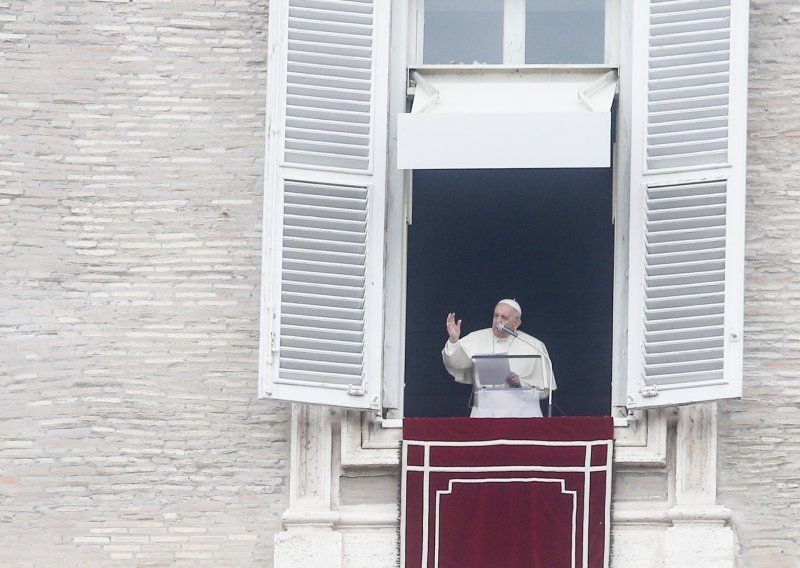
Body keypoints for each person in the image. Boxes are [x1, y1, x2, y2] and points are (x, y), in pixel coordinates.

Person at [442, 299, 556, 418]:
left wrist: (520, 384)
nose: (498, 321)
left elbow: (545, 392)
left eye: (504, 317)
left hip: (523, 414)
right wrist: (454, 341)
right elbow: (456, 363)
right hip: (485, 414)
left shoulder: (534, 346)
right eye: (496, 316)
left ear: (516, 323)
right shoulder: (476, 338)